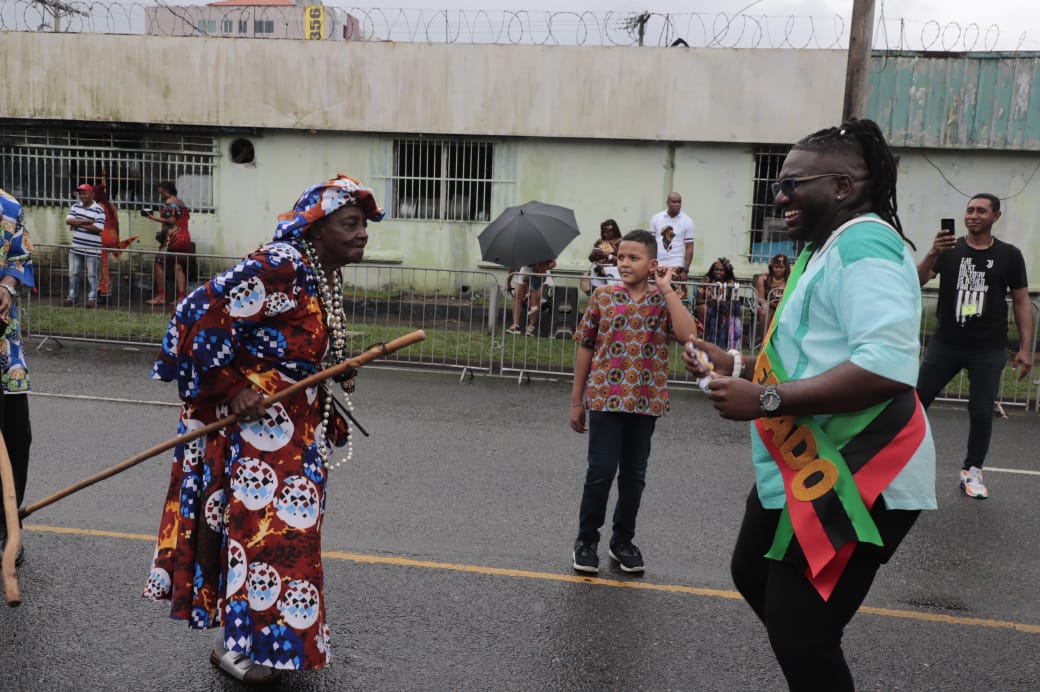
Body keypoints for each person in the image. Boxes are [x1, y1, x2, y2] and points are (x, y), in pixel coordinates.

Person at [682, 118, 935, 691]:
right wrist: (738, 365)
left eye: (795, 183)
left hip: (864, 468)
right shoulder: (821, 250)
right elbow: (815, 351)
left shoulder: (866, 243)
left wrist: (764, 397)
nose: (780, 195)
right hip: (806, 464)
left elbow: (887, 367)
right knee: (755, 576)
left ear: (843, 187)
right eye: (780, 183)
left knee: (802, 633)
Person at [144, 173, 383, 685]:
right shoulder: (282, 264)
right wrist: (231, 388)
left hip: (292, 433)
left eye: (364, 225)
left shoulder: (319, 271)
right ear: (316, 229)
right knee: (262, 542)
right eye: (350, 223)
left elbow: (288, 340)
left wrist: (333, 364)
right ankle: (234, 647)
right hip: (255, 438)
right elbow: (197, 312)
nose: (362, 233)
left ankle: (269, 643)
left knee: (283, 542)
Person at [569, 229, 697, 574]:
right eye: (620, 257)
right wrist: (576, 400)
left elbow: (688, 336)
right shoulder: (604, 297)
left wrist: (667, 288)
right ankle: (586, 540)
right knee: (600, 472)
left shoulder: (662, 299)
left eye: (633, 257)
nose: (624, 263)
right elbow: (586, 344)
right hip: (605, 400)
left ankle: (622, 541)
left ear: (653, 263)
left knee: (634, 476)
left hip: (645, 401)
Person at [915, 193, 1032, 499]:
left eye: (981, 210)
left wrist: (1025, 348)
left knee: (981, 412)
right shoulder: (948, 250)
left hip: (988, 349)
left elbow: (1021, 300)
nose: (973, 215)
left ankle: (973, 472)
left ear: (996, 216)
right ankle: (901, 462)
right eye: (969, 210)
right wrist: (931, 253)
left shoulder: (1010, 255)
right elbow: (917, 281)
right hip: (946, 344)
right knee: (915, 403)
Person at [0, 188, 34, 567]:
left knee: (16, 436)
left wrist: (6, 286)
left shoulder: (8, 207)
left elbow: (20, 256)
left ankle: (9, 524)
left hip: (5, 348)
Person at [141, 181, 191, 306]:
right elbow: (184, 219)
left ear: (167, 191)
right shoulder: (181, 202)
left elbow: (171, 220)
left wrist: (151, 217)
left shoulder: (170, 202)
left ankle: (161, 296)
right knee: (178, 266)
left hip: (173, 237)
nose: (161, 194)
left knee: (158, 262)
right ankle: (181, 297)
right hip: (185, 237)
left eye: (161, 192)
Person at [92, 183, 138, 301]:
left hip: (102, 236)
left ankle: (103, 291)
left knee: (101, 266)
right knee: (104, 264)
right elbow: (116, 224)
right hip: (112, 235)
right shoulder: (111, 206)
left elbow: (94, 223)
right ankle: (104, 289)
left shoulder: (98, 206)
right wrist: (116, 238)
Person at [64, 182, 106, 308]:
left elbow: (98, 228)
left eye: (84, 193)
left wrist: (77, 224)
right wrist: (86, 221)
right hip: (76, 246)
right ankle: (72, 297)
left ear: (92, 194)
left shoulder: (99, 209)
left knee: (92, 275)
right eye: (80, 193)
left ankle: (91, 299)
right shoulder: (76, 206)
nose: (82, 196)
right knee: (73, 273)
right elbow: (68, 220)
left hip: (93, 248)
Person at [648, 192, 695, 293]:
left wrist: (685, 271)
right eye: (674, 202)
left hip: (676, 265)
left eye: (679, 202)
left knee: (675, 298)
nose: (677, 204)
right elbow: (650, 243)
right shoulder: (657, 218)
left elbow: (689, 247)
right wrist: (649, 264)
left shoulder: (687, 221)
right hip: (657, 264)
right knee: (654, 297)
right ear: (667, 202)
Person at [694, 257, 743, 350]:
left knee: (729, 312)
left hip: (724, 309)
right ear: (712, 270)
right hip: (709, 308)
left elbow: (733, 300)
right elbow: (698, 301)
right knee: (702, 309)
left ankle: (726, 341)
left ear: (726, 272)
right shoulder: (706, 280)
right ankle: (705, 337)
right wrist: (713, 301)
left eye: (721, 270)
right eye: (716, 270)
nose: (718, 272)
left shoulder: (729, 282)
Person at [506, 259, 555, 336]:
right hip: (526, 272)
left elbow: (553, 263)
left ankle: (531, 326)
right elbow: (512, 268)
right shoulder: (520, 252)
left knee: (537, 297)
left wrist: (542, 267)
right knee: (517, 295)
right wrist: (508, 283)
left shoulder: (543, 250)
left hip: (541, 273)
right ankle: (515, 325)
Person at [754, 253, 791, 346]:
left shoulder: (789, 279)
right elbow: (760, 299)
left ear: (786, 268)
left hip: (784, 307)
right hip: (768, 306)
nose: (778, 269)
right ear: (771, 267)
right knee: (763, 311)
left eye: (781, 267)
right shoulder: (763, 279)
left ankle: (782, 344)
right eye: (776, 267)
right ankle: (765, 342)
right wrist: (770, 303)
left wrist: (781, 303)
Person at [586, 218, 622, 290]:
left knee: (611, 292)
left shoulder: (621, 242)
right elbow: (590, 259)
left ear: (614, 231)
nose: (605, 234)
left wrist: (607, 255)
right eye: (604, 232)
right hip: (598, 272)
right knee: (597, 292)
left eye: (608, 232)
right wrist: (594, 255)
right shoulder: (600, 242)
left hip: (613, 274)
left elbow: (621, 261)